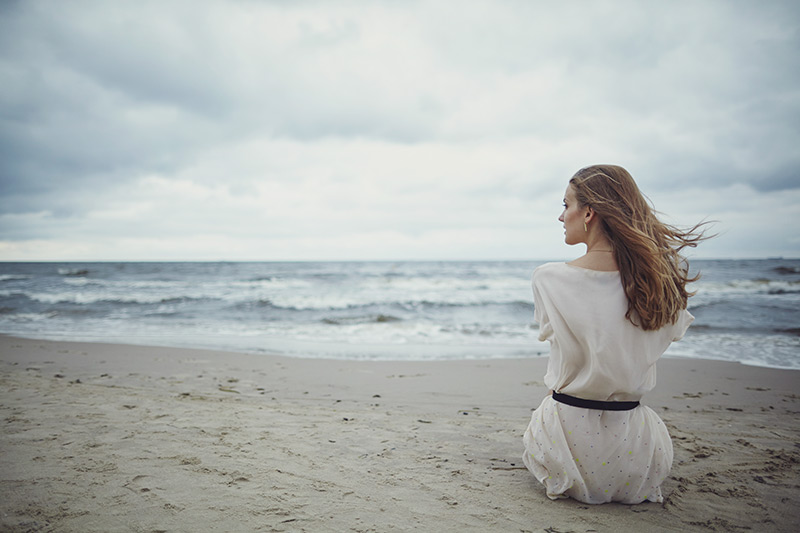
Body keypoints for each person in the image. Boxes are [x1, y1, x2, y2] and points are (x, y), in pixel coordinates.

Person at [522, 164, 708, 504]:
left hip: (565, 447)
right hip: (637, 456)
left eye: (566, 205)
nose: (561, 217)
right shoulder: (659, 283)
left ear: (589, 212)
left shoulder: (548, 278)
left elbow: (555, 337)